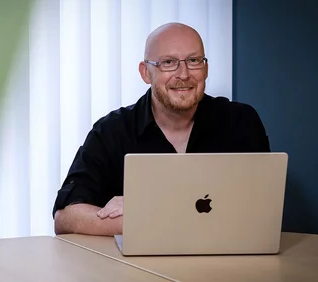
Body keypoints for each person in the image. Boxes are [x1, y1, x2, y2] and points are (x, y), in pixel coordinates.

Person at [52, 22, 270, 236]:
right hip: (136, 269)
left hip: (229, 262)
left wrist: (146, 210)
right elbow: (66, 216)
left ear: (205, 68)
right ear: (146, 72)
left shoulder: (241, 121)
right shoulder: (112, 131)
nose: (183, 74)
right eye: (168, 62)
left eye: (194, 60)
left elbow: (264, 208)